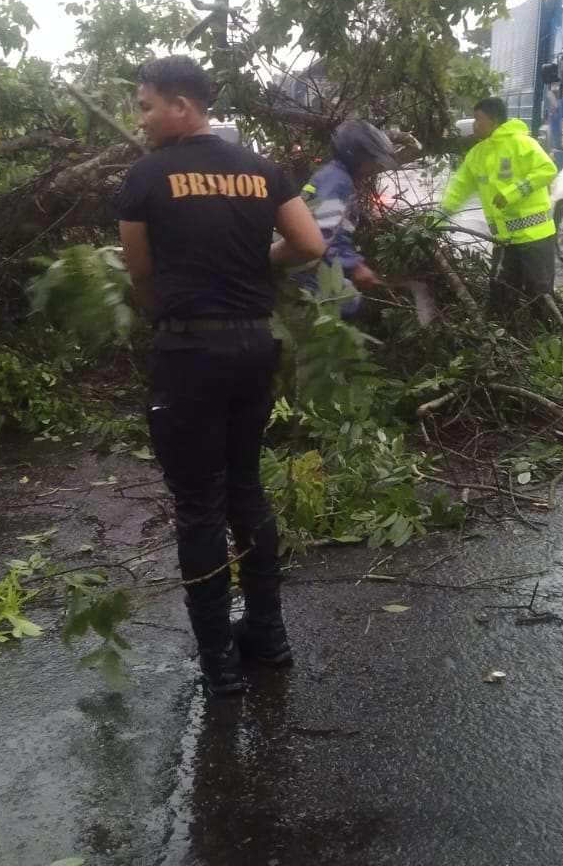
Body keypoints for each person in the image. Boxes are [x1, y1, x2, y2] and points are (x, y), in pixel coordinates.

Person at [117, 55, 326, 696]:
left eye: (147, 105)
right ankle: (269, 634)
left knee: (198, 507)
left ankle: (217, 660)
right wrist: (257, 261)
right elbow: (311, 247)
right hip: (253, 350)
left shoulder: (147, 176)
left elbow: (141, 274)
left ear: (183, 106)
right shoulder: (263, 171)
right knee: (245, 491)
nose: (142, 118)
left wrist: (178, 304)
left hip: (190, 355)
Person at [439, 97, 559, 319]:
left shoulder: (522, 143)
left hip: (535, 238)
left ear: (494, 120)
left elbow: (547, 170)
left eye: (478, 118)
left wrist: (512, 192)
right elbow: (459, 188)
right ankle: (507, 343)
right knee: (501, 295)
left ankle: (547, 344)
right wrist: (439, 216)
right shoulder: (478, 154)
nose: (475, 124)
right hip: (504, 240)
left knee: (539, 295)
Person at [296, 120, 397, 317]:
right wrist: (354, 266)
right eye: (371, 159)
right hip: (305, 265)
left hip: (302, 259)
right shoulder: (339, 182)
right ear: (356, 155)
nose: (373, 165)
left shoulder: (333, 175)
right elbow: (327, 232)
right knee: (349, 302)